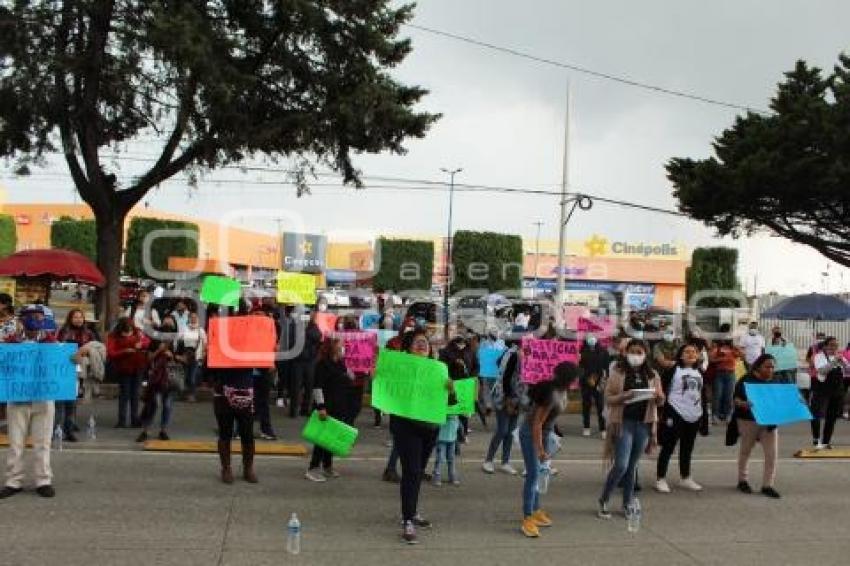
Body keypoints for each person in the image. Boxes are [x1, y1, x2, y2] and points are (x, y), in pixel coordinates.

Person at [392, 329, 453, 545]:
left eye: (425, 342)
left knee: (417, 472)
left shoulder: (438, 369)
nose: (422, 345)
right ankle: (407, 519)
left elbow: (452, 402)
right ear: (408, 347)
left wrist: (451, 390)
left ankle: (412, 511)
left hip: (430, 427)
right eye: (417, 342)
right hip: (405, 426)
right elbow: (385, 389)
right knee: (412, 471)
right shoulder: (400, 367)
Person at [0, 314, 67, 499]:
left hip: (43, 397)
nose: (33, 331)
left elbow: (63, 361)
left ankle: (43, 480)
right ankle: (13, 481)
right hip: (17, 397)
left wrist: (76, 356)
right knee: (15, 442)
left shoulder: (51, 342)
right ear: (23, 325)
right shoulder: (10, 342)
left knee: (43, 442)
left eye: (36, 328)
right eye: (30, 328)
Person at [598, 339, 664, 520]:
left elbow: (661, 400)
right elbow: (608, 398)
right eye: (632, 351)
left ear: (645, 354)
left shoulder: (652, 375)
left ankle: (627, 502)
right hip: (623, 422)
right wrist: (623, 396)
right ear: (626, 353)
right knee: (621, 465)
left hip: (644, 424)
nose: (636, 355)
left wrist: (658, 397)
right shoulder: (617, 372)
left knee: (632, 466)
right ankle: (604, 499)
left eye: (640, 352)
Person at [518, 361, 577, 538]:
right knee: (533, 475)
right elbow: (537, 423)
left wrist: (553, 436)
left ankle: (535, 510)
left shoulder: (562, 391)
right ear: (568, 379)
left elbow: (551, 419)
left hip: (545, 433)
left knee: (540, 473)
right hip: (531, 434)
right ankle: (527, 518)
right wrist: (540, 449)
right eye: (574, 377)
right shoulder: (551, 394)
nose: (576, 381)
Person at [212, 302, 259, 485]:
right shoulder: (219, 334)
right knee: (225, 432)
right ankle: (226, 468)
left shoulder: (252, 337)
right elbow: (211, 364)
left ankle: (248, 468)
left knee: (247, 433)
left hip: (245, 389)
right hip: (224, 389)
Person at [655, 343, 709, 494]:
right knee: (668, 446)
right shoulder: (673, 370)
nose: (691, 354)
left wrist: (703, 418)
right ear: (680, 355)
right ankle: (660, 478)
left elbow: (702, 396)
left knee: (687, 447)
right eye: (687, 351)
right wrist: (662, 412)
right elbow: (662, 389)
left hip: (694, 414)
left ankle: (685, 477)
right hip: (675, 411)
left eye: (694, 352)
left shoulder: (699, 372)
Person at [305, 338, 356, 482]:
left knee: (330, 439)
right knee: (321, 439)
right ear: (333, 349)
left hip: (339, 406)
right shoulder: (322, 365)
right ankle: (313, 468)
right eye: (340, 347)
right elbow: (317, 387)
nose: (343, 349)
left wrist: (349, 368)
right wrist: (321, 407)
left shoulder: (341, 364)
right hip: (327, 407)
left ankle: (327, 466)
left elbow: (351, 378)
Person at [733, 354, 781, 498]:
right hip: (748, 420)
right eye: (767, 366)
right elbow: (735, 399)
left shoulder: (776, 381)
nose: (770, 369)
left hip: (769, 422)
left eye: (772, 366)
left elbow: (781, 399)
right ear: (758, 366)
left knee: (772, 454)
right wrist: (743, 404)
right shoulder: (746, 380)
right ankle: (742, 480)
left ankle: (767, 485)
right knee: (746, 451)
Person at [55, 309, 103, 441]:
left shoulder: (88, 333)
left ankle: (69, 430)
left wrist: (87, 350)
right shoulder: (63, 331)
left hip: (80, 370)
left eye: (80, 317)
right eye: (75, 317)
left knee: (72, 401)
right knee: (59, 402)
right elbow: (55, 347)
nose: (78, 320)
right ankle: (56, 429)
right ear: (70, 318)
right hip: (63, 369)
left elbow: (98, 348)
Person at [136, 315, 183, 443]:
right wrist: (159, 350)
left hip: (170, 377)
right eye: (165, 320)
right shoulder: (155, 340)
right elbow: (149, 358)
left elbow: (185, 358)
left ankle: (163, 430)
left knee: (167, 405)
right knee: (153, 404)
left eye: (171, 321)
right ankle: (146, 430)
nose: (168, 322)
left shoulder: (178, 341)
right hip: (156, 377)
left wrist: (173, 356)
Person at [482, 340, 521, 475]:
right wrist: (509, 400)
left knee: (510, 431)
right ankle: (488, 460)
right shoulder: (514, 354)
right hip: (504, 397)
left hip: (518, 398)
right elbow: (506, 378)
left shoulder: (514, 353)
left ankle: (505, 462)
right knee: (502, 430)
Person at [107, 317, 148, 428]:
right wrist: (124, 351)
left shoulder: (138, 332)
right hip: (123, 368)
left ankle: (135, 419)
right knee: (124, 394)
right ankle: (122, 420)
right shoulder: (113, 336)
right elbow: (111, 352)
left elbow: (146, 341)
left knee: (135, 394)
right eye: (126, 329)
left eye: (130, 327)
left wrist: (142, 345)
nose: (128, 330)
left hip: (138, 366)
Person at [810, 337, 848, 450]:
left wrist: (844, 364)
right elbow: (822, 370)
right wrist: (834, 361)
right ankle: (816, 440)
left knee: (832, 417)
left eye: (836, 345)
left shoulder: (840, 356)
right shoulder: (819, 356)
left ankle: (826, 441)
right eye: (831, 345)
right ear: (825, 346)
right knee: (816, 415)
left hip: (837, 390)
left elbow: (847, 370)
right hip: (822, 389)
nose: (834, 347)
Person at [579, 334, 609, 438]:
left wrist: (603, 382)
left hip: (599, 381)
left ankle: (603, 428)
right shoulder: (581, 351)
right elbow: (578, 367)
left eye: (593, 336)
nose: (591, 339)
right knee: (586, 405)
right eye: (589, 336)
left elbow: (606, 368)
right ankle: (586, 427)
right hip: (585, 381)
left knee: (600, 406)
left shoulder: (603, 351)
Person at [709, 326, 738, 425]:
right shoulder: (717, 345)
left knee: (729, 395)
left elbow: (742, 355)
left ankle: (728, 415)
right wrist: (722, 359)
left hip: (731, 373)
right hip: (719, 373)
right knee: (718, 395)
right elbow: (711, 359)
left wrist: (736, 350)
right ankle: (715, 415)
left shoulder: (733, 346)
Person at [178, 311, 207, 403]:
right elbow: (179, 342)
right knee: (185, 376)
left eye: (195, 317)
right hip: (185, 355)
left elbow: (205, 343)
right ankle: (186, 394)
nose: (193, 319)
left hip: (196, 356)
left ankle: (192, 395)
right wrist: (179, 355)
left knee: (192, 377)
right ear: (189, 318)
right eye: (192, 317)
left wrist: (203, 355)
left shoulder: (200, 330)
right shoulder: (184, 329)